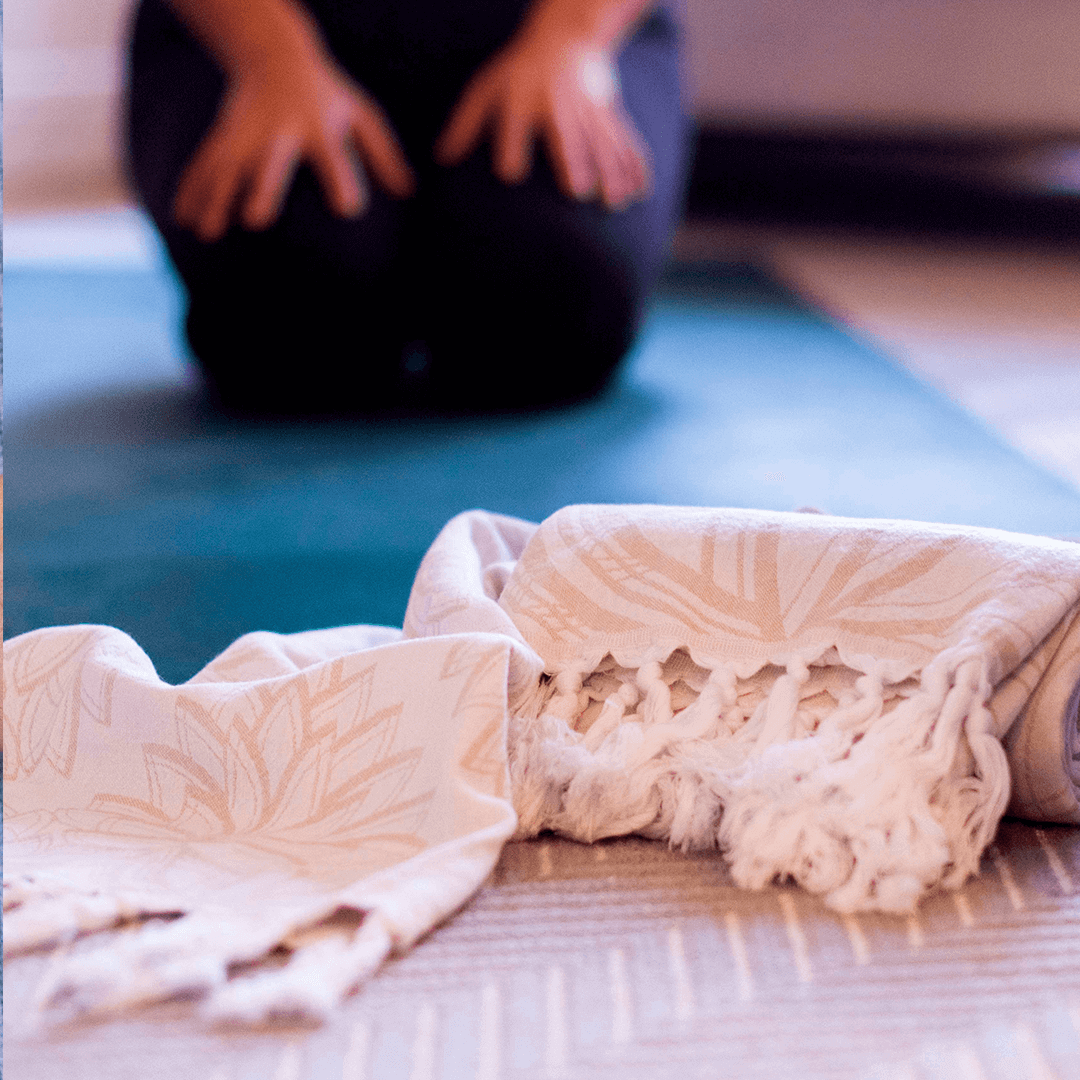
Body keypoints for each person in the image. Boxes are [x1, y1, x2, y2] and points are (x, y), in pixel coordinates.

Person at [126, 0, 689, 414]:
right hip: (262, 28)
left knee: (550, 311)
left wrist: (570, 40)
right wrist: (274, 61)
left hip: (554, 24)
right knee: (286, 328)